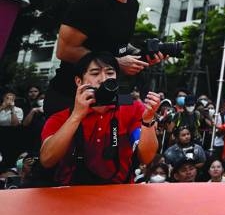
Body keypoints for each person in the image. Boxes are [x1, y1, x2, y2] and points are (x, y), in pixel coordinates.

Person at [46, 0, 165, 115]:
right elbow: (64, 51)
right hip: (69, 96)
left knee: (134, 109)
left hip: (106, 98)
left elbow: (118, 45)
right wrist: (116, 62)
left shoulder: (131, 5)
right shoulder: (91, 2)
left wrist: (143, 55)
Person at [39, 52, 161, 185]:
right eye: (95, 73)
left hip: (120, 190)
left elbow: (146, 158)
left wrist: (148, 121)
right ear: (79, 81)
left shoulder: (132, 106)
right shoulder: (63, 114)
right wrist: (76, 116)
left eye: (110, 73)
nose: (103, 79)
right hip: (72, 192)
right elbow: (47, 160)